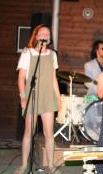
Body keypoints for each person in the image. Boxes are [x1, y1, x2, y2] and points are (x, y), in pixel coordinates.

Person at [15, 24, 62, 174]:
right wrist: (23, 97)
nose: (45, 34)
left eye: (47, 33)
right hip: (32, 95)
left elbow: (54, 79)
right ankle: (23, 166)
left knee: (49, 133)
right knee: (29, 132)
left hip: (48, 97)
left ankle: (51, 166)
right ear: (36, 36)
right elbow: (21, 77)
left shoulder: (53, 55)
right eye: (42, 32)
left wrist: (59, 98)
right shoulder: (27, 53)